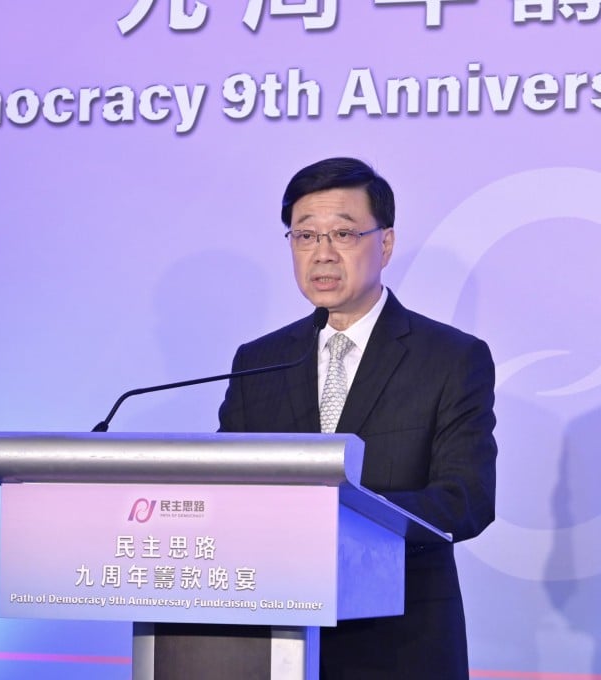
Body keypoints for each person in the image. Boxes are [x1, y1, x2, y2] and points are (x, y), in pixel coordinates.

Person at [218, 157, 498, 679]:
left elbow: (467, 499)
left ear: (385, 244)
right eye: (305, 236)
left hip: (399, 643)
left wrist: (337, 520)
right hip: (273, 639)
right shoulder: (259, 360)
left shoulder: (450, 358)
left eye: (343, 234)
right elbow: (227, 487)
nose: (322, 253)